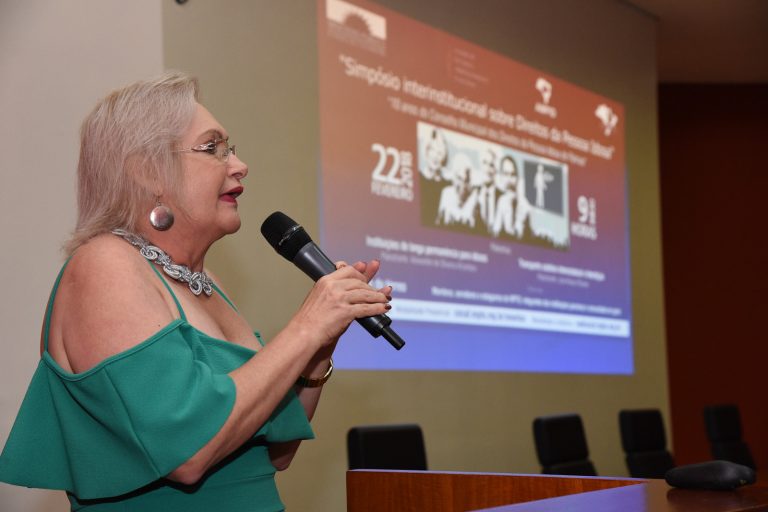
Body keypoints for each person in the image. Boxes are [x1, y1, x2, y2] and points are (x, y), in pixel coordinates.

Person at [0, 72, 392, 511]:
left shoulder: (209, 285)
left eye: (231, 148)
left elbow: (277, 453)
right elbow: (187, 454)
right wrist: (306, 327)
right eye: (213, 148)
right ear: (147, 171)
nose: (239, 165)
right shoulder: (105, 264)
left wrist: (322, 343)